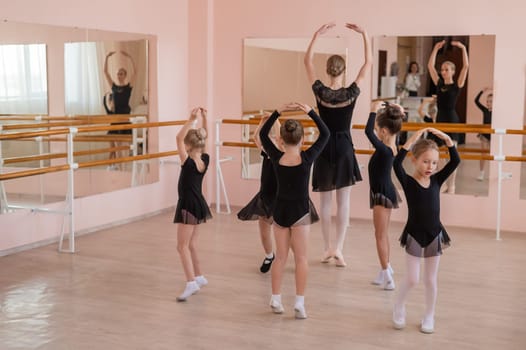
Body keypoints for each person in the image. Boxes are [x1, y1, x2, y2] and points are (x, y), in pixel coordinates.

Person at [304, 22, 372, 266]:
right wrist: (364, 34)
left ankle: (326, 248)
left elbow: (307, 62)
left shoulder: (320, 92)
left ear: (328, 70)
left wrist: (316, 35)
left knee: (325, 201)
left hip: (323, 146)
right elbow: (367, 65)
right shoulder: (350, 92)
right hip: (344, 146)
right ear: (343, 72)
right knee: (344, 202)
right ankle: (339, 249)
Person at [260, 102, 329, 319]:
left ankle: (276, 298)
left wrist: (278, 110)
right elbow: (325, 133)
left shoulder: (275, 156)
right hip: (300, 212)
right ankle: (299, 302)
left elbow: (263, 134)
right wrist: (310, 111)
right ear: (303, 140)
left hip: (280, 211)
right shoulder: (307, 158)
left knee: (280, 257)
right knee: (301, 258)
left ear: (280, 140)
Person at [392, 127, 461, 334]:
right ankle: (398, 306)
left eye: (433, 162)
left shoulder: (437, 180)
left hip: (434, 234)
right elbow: (396, 163)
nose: (430, 166)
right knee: (412, 278)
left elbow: (455, 162)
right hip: (414, 234)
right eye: (425, 161)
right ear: (414, 160)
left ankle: (429, 314)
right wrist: (411, 140)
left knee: (431, 280)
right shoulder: (408, 182)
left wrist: (449, 140)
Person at [365, 101, 404, 290]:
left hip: (382, 194)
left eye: (378, 129)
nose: (376, 131)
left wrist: (373, 111)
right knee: (383, 234)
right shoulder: (392, 146)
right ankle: (384, 270)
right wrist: (398, 111)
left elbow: (367, 132)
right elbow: (394, 126)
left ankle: (388, 274)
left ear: (384, 132)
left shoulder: (383, 150)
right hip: (385, 191)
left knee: (379, 235)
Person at [174, 107, 212, 302]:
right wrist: (204, 119)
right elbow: (204, 139)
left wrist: (191, 120)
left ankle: (190, 283)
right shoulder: (204, 159)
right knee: (192, 244)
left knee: (182, 246)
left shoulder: (187, 161)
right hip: (199, 204)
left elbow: (178, 138)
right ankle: (198, 276)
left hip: (188, 205)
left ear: (188, 146)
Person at [237, 115, 281, 273]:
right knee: (263, 229)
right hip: (265, 195)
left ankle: (294, 257)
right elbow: (256, 137)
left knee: (284, 231)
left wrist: (275, 119)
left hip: (280, 197)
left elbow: (279, 136)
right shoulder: (267, 151)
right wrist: (262, 122)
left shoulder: (282, 153)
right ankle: (269, 255)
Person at [427, 39, 468, 193]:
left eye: (446, 69)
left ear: (452, 71)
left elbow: (466, 66)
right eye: (442, 69)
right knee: (439, 155)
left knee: (452, 155)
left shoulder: (457, 85)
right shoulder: (438, 83)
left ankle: (452, 185)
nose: (443, 71)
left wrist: (463, 48)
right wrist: (435, 49)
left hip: (452, 119)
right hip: (440, 120)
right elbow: (430, 66)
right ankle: (443, 182)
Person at [104, 50, 137, 167]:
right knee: (114, 143)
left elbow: (136, 72)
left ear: (125, 75)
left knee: (123, 143)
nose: (119, 75)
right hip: (115, 117)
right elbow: (106, 72)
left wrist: (130, 57)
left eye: (121, 73)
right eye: (118, 73)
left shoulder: (128, 87)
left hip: (125, 115)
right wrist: (107, 57)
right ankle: (115, 165)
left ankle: (123, 164)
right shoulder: (114, 86)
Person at [474, 87, 493, 181]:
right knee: (483, 154)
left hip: (494, 135)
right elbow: (476, 101)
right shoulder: (485, 110)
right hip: (485, 135)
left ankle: (494, 173)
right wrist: (482, 91)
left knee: (494, 155)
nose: (489, 103)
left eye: (491, 101)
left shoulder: (498, 112)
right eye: (488, 101)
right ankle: (481, 173)